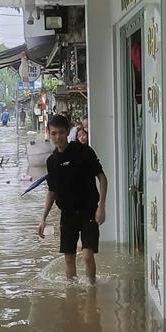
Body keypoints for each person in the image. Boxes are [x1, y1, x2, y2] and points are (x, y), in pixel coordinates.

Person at [37, 114, 108, 283]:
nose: (57, 137)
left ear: (68, 132)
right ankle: (72, 292)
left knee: (87, 255)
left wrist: (102, 207)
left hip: (89, 209)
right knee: (68, 258)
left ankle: (92, 288)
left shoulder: (83, 151)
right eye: (53, 133)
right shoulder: (52, 161)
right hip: (67, 214)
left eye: (61, 133)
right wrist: (43, 218)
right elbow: (52, 191)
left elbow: (102, 178)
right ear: (49, 133)